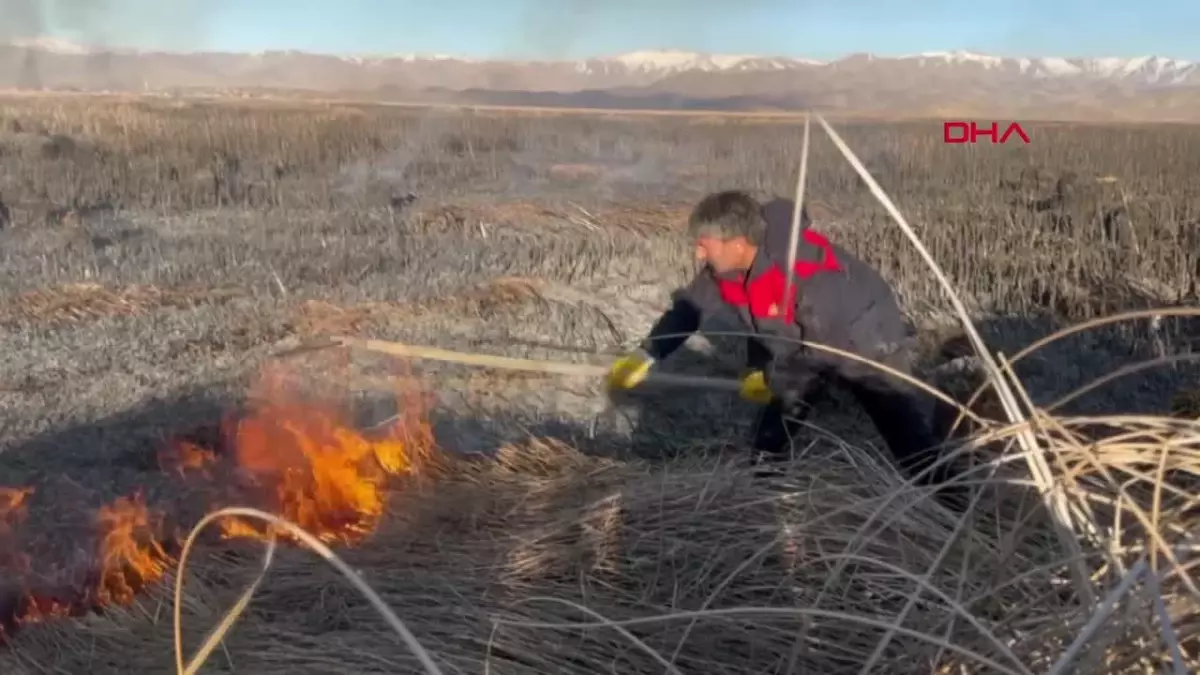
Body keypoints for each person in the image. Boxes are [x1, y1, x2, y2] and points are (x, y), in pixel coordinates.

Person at [606, 190, 964, 505]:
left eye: (705, 243)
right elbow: (689, 309)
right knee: (771, 433)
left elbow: (813, 356)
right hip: (796, 338)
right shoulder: (724, 269)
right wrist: (647, 354)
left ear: (736, 242)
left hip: (860, 336)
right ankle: (764, 494)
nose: (698, 254)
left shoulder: (808, 276)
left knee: (900, 426)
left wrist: (772, 378)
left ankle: (950, 502)